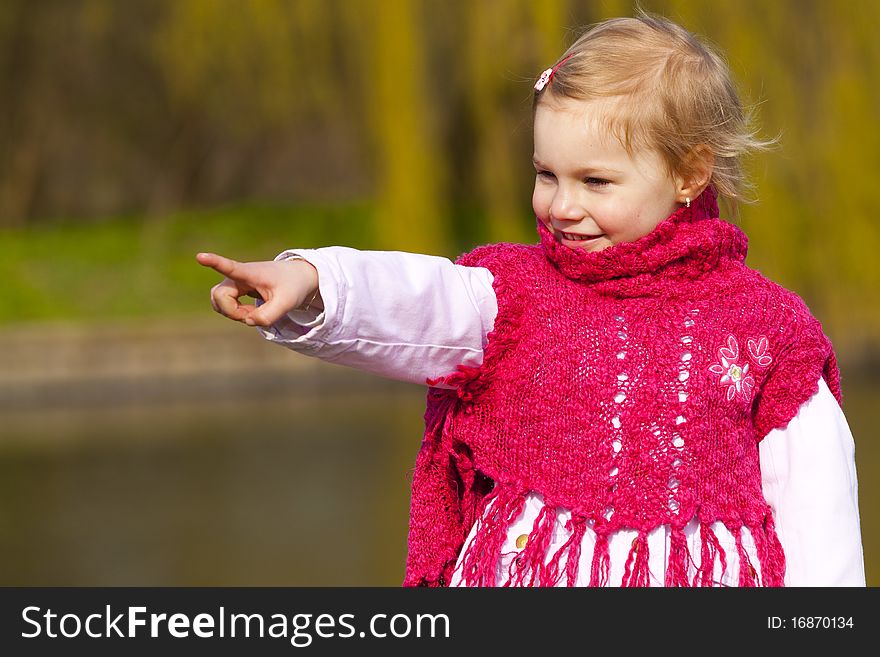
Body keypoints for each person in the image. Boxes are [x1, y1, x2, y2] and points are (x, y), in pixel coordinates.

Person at [196, 13, 864, 587]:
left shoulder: (766, 326)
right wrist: (314, 282)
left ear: (690, 173)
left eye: (596, 181)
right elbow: (421, 302)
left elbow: (817, 507)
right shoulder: (519, 294)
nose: (562, 205)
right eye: (546, 174)